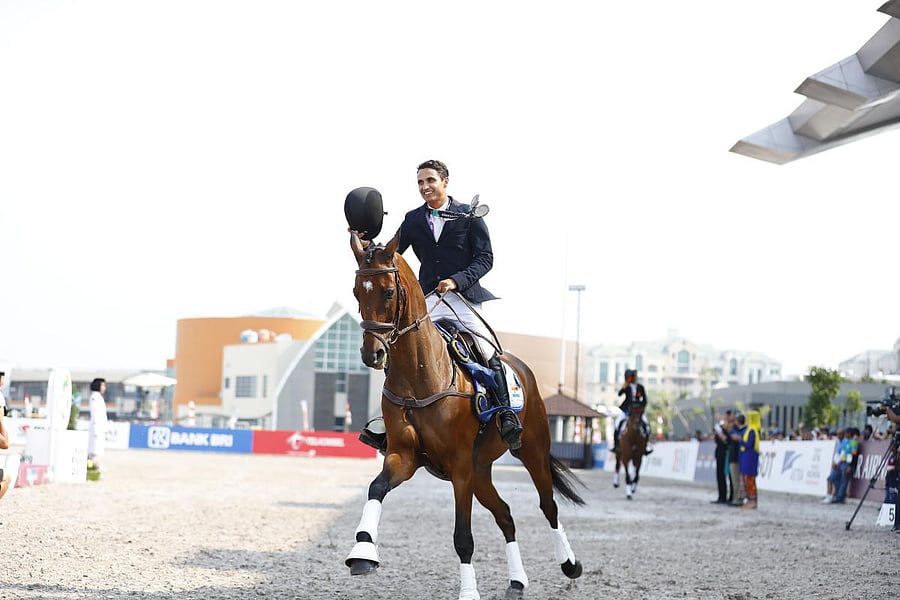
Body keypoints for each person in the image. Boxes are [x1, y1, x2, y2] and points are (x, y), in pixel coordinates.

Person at [390, 160, 522, 450]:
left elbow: (485, 259)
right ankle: (392, 423)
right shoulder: (413, 219)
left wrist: (456, 280)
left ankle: (506, 415)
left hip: (463, 299)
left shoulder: (469, 215)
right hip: (429, 301)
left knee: (488, 351)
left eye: (430, 181)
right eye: (420, 182)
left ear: (445, 181)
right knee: (403, 348)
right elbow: (391, 253)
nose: (425, 187)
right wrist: (363, 240)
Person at [612, 369, 652, 455]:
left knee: (646, 425)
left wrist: (640, 407)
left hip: (637, 411)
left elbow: (644, 400)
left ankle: (647, 445)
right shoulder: (627, 387)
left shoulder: (641, 387)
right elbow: (619, 394)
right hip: (627, 410)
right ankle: (616, 445)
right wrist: (624, 387)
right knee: (617, 423)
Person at [738, 410, 761, 509]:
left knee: (750, 479)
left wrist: (740, 440)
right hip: (747, 457)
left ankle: (752, 500)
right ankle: (749, 500)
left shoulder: (752, 430)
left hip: (750, 457)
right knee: (747, 479)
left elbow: (749, 444)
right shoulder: (750, 429)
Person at [832, 427, 859, 505]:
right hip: (843, 463)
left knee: (844, 481)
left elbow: (854, 455)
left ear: (849, 434)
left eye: (846, 433)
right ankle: (838, 495)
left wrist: (850, 466)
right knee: (838, 479)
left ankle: (840, 497)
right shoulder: (847, 442)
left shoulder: (853, 442)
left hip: (847, 464)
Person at [88, 378, 109, 471]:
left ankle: (96, 464)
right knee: (94, 448)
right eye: (103, 385)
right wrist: (97, 428)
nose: (104, 388)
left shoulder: (99, 397)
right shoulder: (95, 397)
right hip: (96, 426)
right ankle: (95, 465)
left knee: (98, 447)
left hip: (100, 426)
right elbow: (96, 413)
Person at [822, 428, 846, 504]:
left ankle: (830, 496)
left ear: (843, 434)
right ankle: (832, 496)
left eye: (840, 434)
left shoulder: (845, 443)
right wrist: (833, 462)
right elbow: (837, 454)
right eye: (838, 434)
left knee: (830, 479)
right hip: (836, 464)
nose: (838, 436)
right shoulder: (839, 442)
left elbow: (843, 455)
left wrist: (837, 463)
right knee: (835, 481)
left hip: (840, 465)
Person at [711, 414, 730, 504]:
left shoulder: (727, 431)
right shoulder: (719, 430)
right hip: (719, 453)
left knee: (723, 476)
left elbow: (725, 440)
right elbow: (716, 440)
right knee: (719, 476)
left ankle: (724, 497)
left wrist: (719, 432)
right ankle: (721, 496)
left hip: (724, 454)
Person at [728, 412, 746, 506]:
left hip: (737, 458)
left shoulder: (743, 430)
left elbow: (735, 436)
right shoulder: (737, 430)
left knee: (737, 481)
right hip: (734, 457)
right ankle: (735, 498)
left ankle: (738, 499)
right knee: (735, 480)